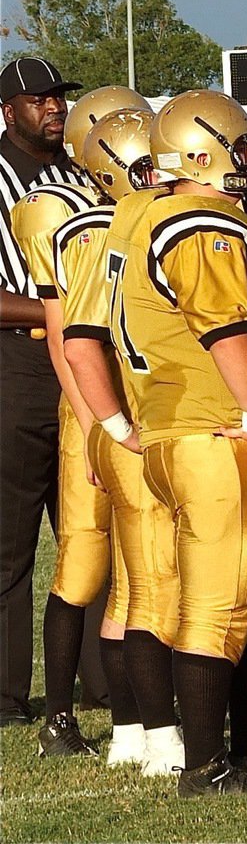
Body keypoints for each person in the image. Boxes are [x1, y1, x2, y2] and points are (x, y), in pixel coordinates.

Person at [115, 90, 247, 797]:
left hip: (197, 429)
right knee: (219, 604)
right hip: (212, 430)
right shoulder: (200, 220)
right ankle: (204, 766)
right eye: (243, 146)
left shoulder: (163, 216)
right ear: (202, 152)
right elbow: (222, 329)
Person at [60, 108, 186, 778]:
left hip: (122, 424)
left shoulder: (105, 228)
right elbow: (80, 344)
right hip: (141, 425)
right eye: (154, 163)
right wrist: (115, 427)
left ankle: (130, 730)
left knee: (130, 589)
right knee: (155, 584)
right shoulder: (114, 231)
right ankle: (162, 736)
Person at [0, 58, 109, 729]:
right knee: (10, 544)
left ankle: (104, 679)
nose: (52, 108)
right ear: (7, 108)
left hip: (87, 366)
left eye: (58, 98)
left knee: (92, 527)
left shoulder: (82, 177)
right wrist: (57, 314)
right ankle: (8, 697)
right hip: (15, 370)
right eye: (36, 99)